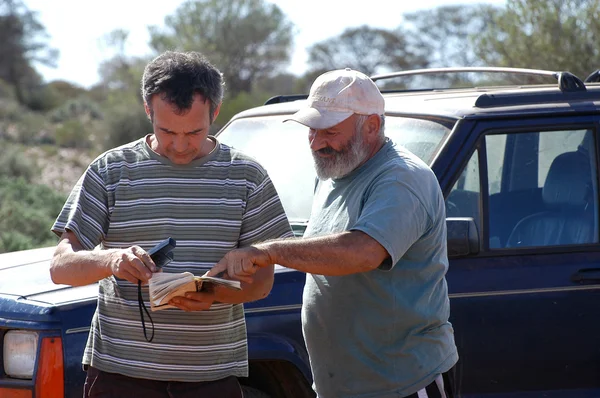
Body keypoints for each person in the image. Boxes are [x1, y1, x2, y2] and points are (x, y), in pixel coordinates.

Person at [49, 51, 293, 398]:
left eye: (194, 131)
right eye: (167, 131)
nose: (180, 146)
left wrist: (213, 295)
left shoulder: (247, 176)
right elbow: (61, 266)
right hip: (120, 377)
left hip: (211, 380)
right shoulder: (110, 170)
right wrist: (112, 261)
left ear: (216, 112)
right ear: (148, 109)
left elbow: (263, 282)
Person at [208, 68, 459, 398]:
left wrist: (267, 252)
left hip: (400, 384)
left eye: (329, 130)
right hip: (343, 386)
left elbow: (362, 251)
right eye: (312, 129)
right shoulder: (333, 172)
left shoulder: (401, 179)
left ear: (371, 126)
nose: (316, 141)